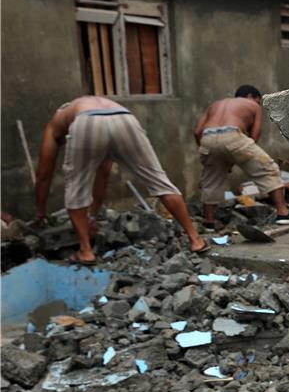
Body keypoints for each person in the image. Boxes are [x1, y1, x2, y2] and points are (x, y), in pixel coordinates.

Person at [35, 96, 210, 265]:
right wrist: (93, 215)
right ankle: (196, 240)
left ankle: (85, 251)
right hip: (125, 119)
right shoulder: (93, 104)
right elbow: (103, 173)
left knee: (75, 188)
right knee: (159, 181)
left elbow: (44, 174)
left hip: (87, 122)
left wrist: (40, 214)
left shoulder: (56, 123)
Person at [193, 84, 289, 228]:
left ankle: (209, 222)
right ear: (251, 96)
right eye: (258, 101)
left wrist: (208, 153)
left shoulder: (214, 105)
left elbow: (197, 131)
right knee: (268, 168)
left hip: (207, 138)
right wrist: (239, 153)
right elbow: (254, 136)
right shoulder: (252, 104)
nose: (258, 104)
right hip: (233, 134)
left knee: (210, 180)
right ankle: (283, 213)